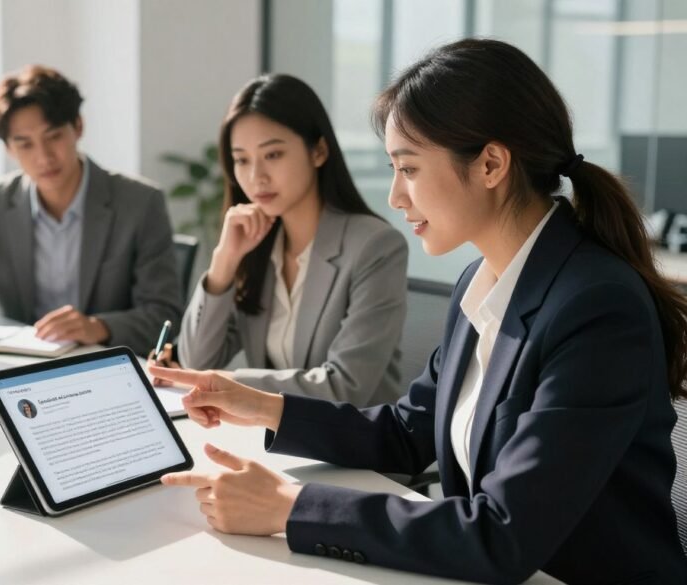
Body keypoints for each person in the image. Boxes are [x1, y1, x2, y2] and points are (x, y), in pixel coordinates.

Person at [150, 39, 687, 584]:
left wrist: (291, 507)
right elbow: (406, 432)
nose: (395, 197)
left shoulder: (596, 308)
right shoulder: (479, 285)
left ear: (491, 164)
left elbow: (504, 534)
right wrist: (263, 407)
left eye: (407, 168)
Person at [154, 74, 407, 404]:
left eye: (272, 155)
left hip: (350, 446)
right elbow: (197, 361)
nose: (256, 177)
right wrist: (223, 263)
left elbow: (345, 386)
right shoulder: (256, 246)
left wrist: (226, 383)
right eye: (242, 160)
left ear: (318, 151)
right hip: (274, 442)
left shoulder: (375, 247)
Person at [0, 65, 182, 354]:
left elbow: (165, 315)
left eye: (54, 136)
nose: (43, 157)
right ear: (9, 148)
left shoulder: (139, 202)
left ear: (78, 127)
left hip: (104, 364)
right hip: (20, 366)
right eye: (25, 144)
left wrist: (97, 327)